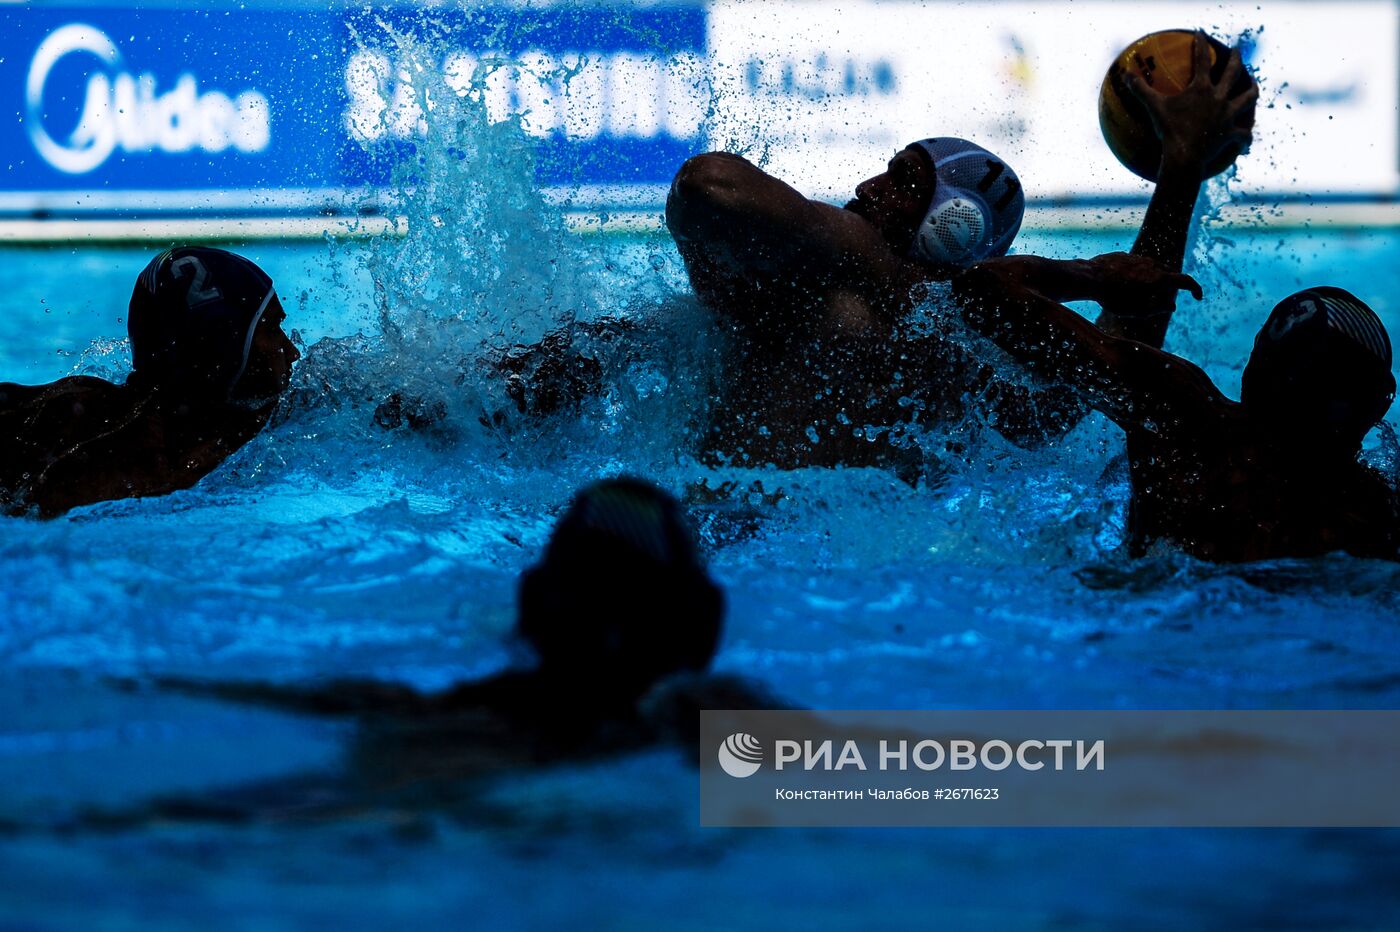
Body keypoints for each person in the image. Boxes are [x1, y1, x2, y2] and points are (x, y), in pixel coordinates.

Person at [489, 34, 1256, 479]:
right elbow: (705, 191)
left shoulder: (943, 343)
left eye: (899, 181)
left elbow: (1120, 368)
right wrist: (1180, 170)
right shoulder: (930, 344)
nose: (864, 184)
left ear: (947, 226)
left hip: (730, 547)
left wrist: (1180, 163)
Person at [99, 479, 773, 825]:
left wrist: (142, 682)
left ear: (534, 614)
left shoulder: (449, 709)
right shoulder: (699, 711)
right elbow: (865, 783)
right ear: (699, 625)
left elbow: (334, 701)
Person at [952, 255, 1398, 562]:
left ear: (1253, 370)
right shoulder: (1376, 509)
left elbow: (980, 289)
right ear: (1370, 410)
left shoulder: (1184, 417)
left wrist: (1093, 276)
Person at [0, 247, 299, 517]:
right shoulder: (120, 450)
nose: (292, 351)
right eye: (271, 329)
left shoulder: (221, 426)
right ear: (225, 347)